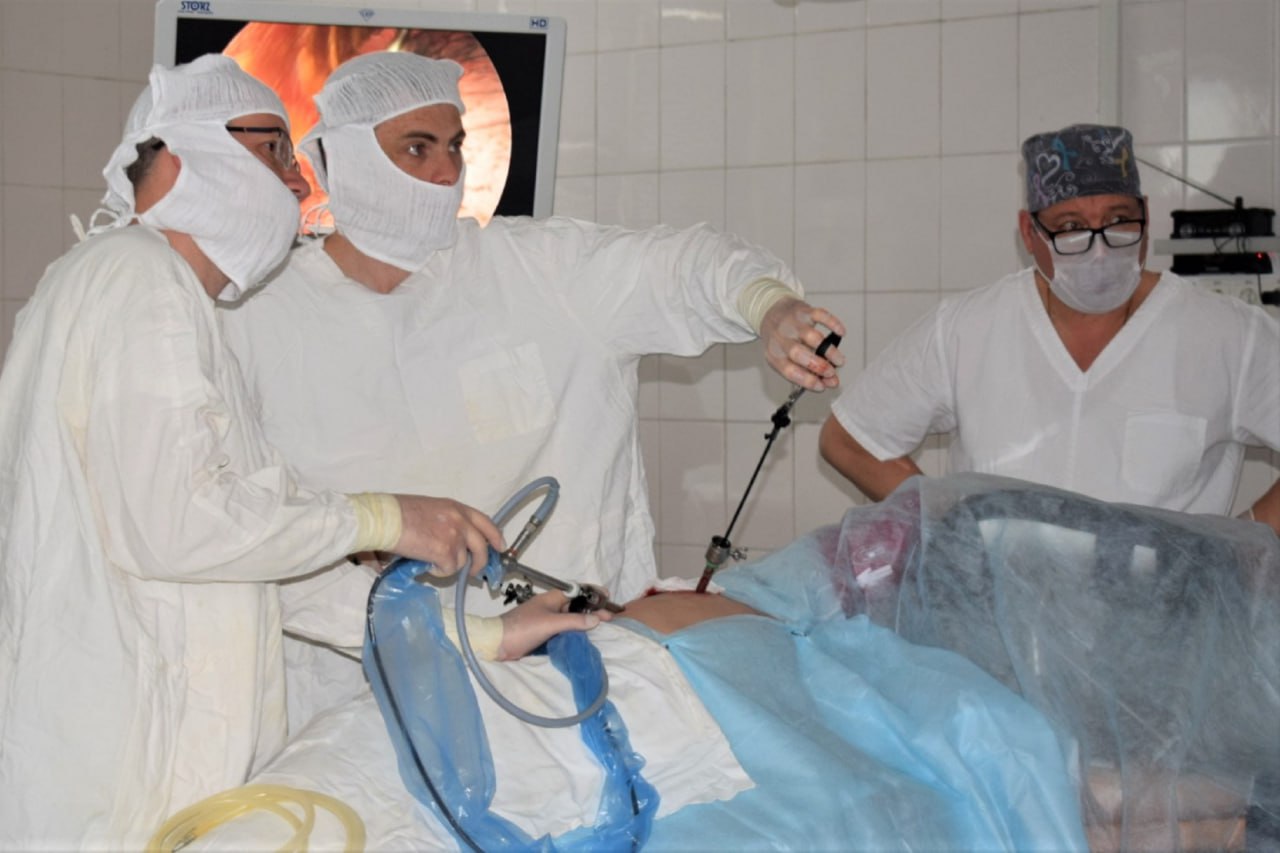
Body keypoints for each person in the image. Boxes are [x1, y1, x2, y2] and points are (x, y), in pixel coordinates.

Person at [0, 55, 599, 849]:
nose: (296, 181)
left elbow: (269, 569)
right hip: (112, 772)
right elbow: (177, 525)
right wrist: (387, 518)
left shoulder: (169, 306)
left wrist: (484, 636)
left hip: (151, 767)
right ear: (176, 157)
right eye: (272, 150)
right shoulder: (135, 276)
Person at [221, 52, 847, 725]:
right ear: (338, 159)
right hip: (356, 696)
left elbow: (686, 267)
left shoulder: (535, 271)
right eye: (416, 148)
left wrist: (767, 306)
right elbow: (245, 529)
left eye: (455, 146)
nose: (446, 173)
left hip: (566, 675)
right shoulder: (256, 316)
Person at [819, 123, 1280, 536]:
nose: (1100, 250)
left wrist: (1236, 548)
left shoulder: (1227, 337)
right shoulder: (967, 331)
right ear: (1029, 231)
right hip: (998, 605)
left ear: (1145, 213)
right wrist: (952, 531)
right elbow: (850, 440)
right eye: (1070, 227)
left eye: (1119, 221)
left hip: (1164, 606)